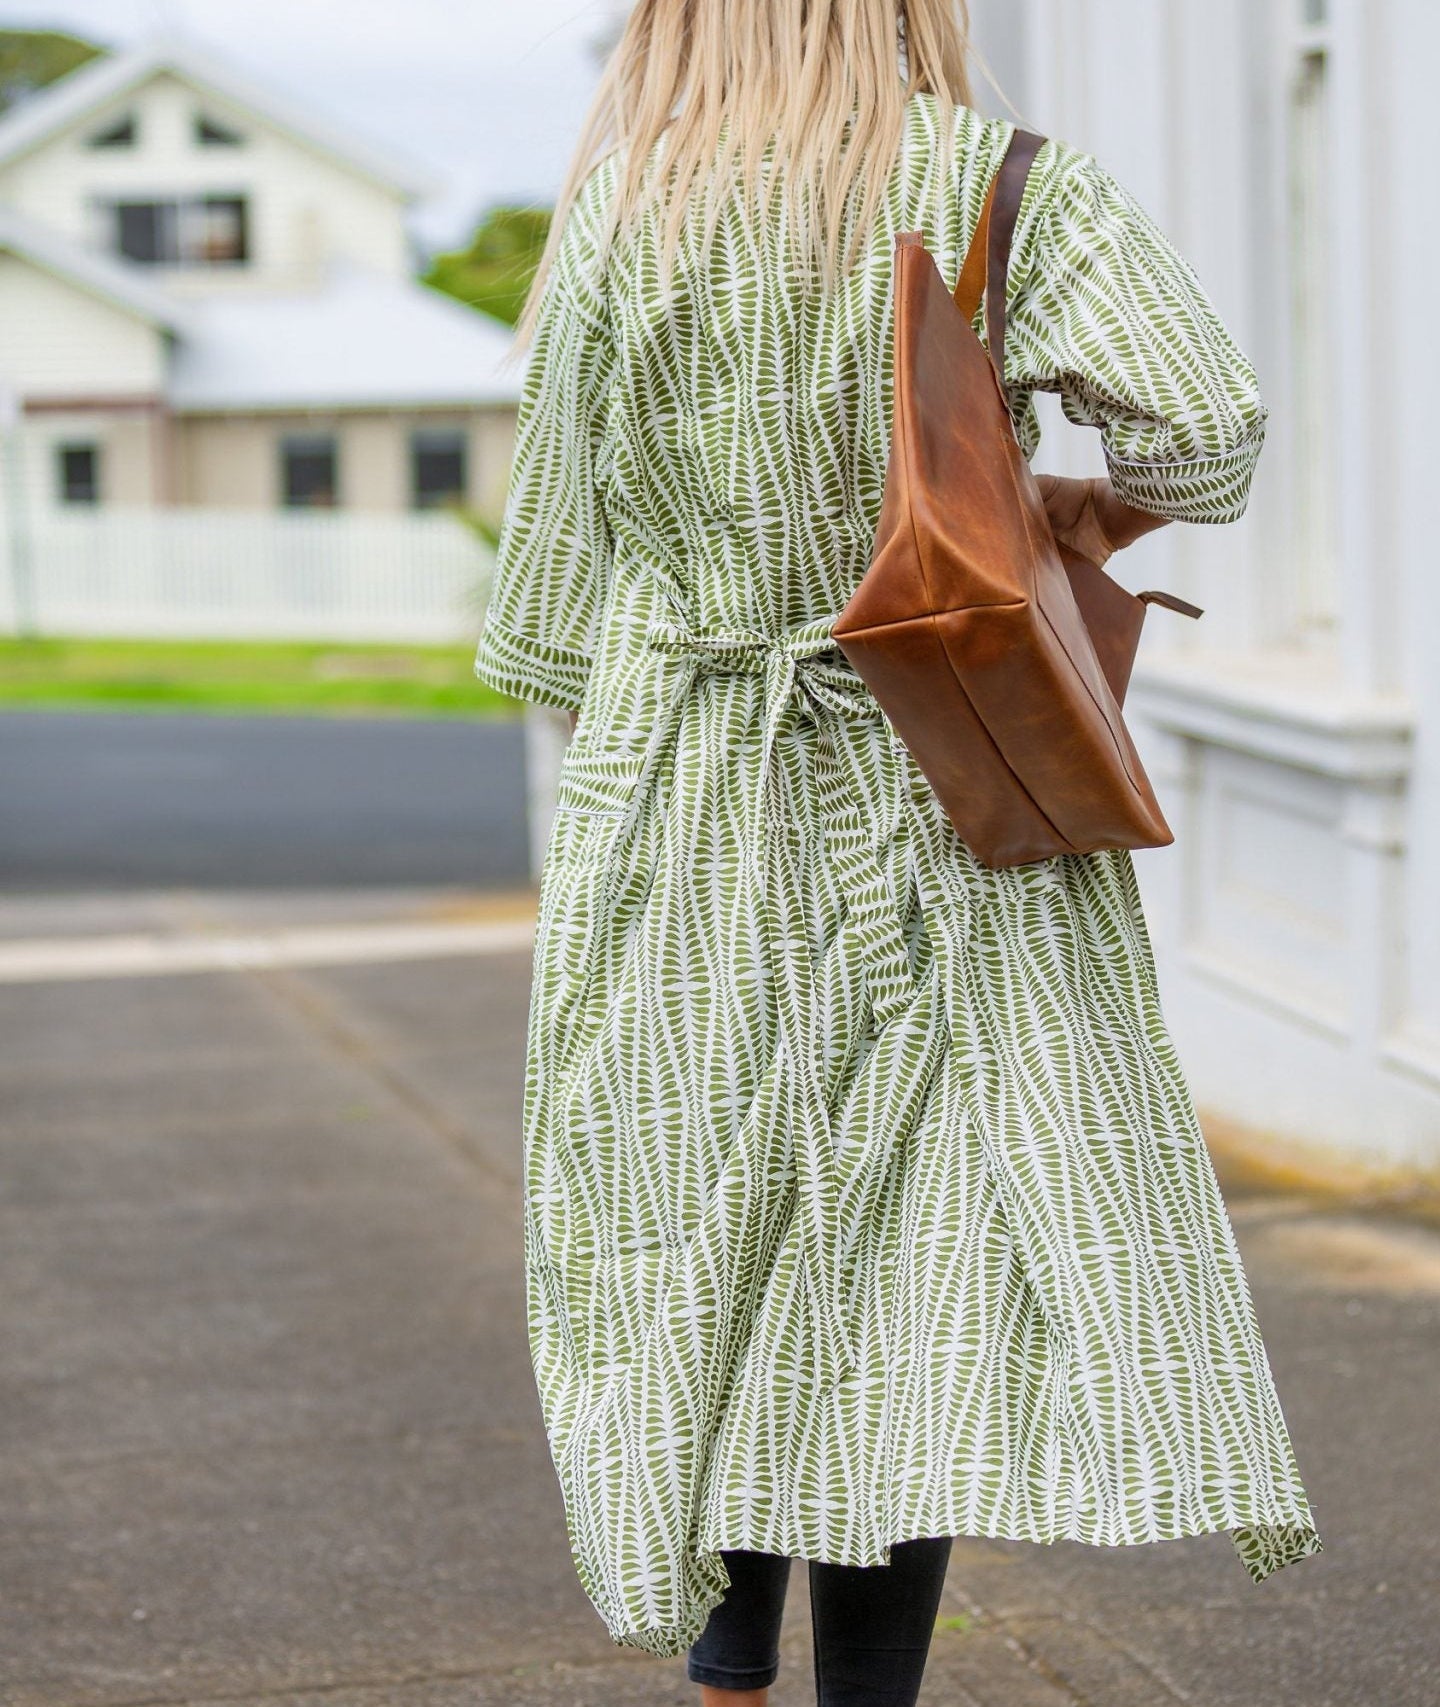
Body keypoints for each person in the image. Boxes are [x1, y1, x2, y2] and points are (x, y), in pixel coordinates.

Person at [474, 3, 1323, 1702]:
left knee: (698, 1231)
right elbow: (1205, 436)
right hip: (939, 785)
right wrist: (1053, 512)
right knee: (896, 1267)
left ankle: (725, 1673)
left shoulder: (618, 213)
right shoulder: (999, 188)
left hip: (679, 807)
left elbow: (551, 617)